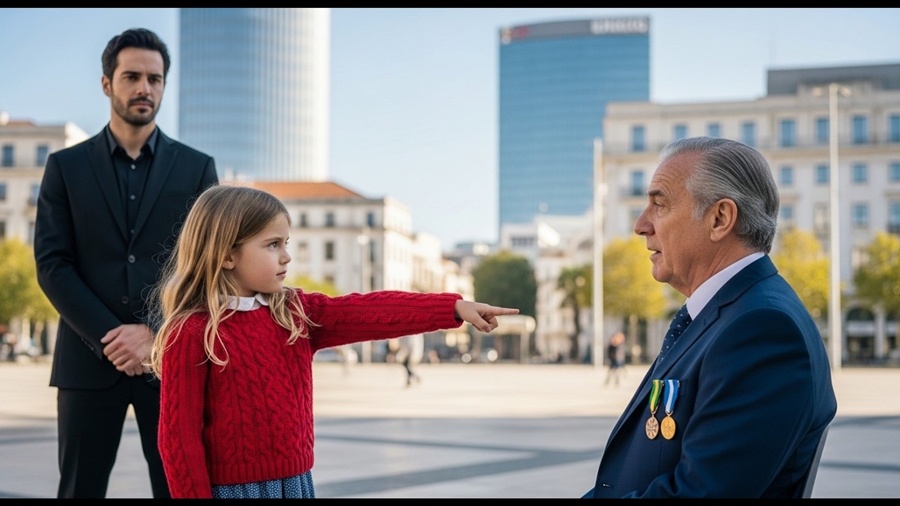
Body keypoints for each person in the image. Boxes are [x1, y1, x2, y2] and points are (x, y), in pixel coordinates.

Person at [147, 185, 519, 498]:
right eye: (272, 245)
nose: (286, 256)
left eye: (286, 243)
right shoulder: (193, 332)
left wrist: (452, 307)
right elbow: (178, 439)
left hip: (296, 484)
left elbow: (370, 311)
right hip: (231, 491)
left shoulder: (294, 312)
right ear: (227, 254)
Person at [583, 137, 837, 498]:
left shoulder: (761, 330)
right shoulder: (727, 316)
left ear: (719, 218)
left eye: (660, 204)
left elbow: (698, 493)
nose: (641, 225)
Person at [33, 28, 218, 499]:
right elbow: (53, 263)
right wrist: (109, 337)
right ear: (106, 83)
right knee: (79, 489)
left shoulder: (197, 168)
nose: (145, 88)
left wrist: (155, 335)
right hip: (87, 361)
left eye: (155, 79)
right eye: (132, 76)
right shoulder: (65, 167)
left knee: (182, 490)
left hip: (172, 360)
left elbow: (208, 265)